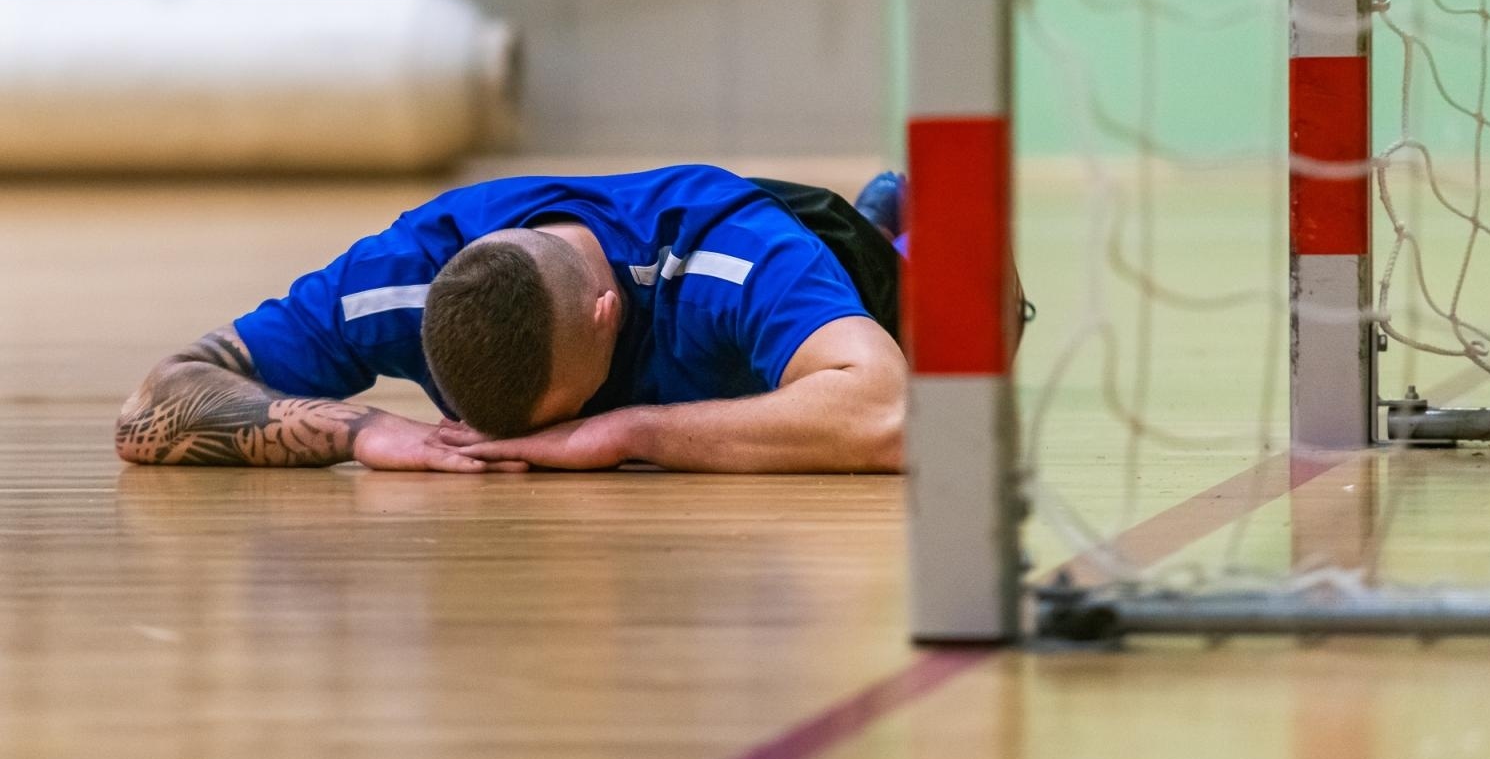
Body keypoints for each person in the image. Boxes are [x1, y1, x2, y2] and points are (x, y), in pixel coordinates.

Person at [115, 165, 910, 474]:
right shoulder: (407, 271)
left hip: (833, 264)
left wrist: (627, 431)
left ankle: (885, 223)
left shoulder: (726, 255)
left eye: (560, 416)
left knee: (962, 318)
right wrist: (364, 431)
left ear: (608, 318)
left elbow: (887, 412)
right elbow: (150, 408)